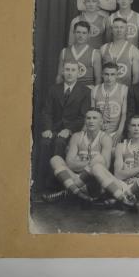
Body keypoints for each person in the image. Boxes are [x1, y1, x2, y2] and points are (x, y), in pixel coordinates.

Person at [36, 61, 91, 193]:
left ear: (78, 73)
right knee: (45, 143)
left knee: (60, 143)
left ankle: (56, 183)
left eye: (73, 70)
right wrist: (48, 129)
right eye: (67, 70)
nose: (70, 73)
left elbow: (82, 116)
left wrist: (69, 130)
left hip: (72, 130)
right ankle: (41, 184)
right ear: (63, 72)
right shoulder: (54, 89)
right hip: (54, 128)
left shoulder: (85, 91)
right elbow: (47, 112)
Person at [90, 115, 139, 206]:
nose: (136, 128)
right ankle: (125, 198)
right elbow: (118, 174)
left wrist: (127, 172)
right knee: (96, 167)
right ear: (129, 127)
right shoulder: (121, 146)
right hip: (121, 185)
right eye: (133, 125)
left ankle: (123, 197)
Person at [43, 108, 112, 202]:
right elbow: (69, 163)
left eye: (94, 118)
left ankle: (70, 191)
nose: (91, 121)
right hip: (74, 177)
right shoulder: (77, 136)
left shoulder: (105, 138)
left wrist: (80, 163)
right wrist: (91, 164)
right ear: (85, 121)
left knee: (99, 160)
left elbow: (105, 166)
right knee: (55, 159)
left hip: (93, 182)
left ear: (101, 122)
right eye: (88, 118)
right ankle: (77, 194)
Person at [91, 62, 128, 147]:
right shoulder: (95, 90)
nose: (109, 78)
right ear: (102, 75)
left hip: (116, 131)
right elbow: (93, 113)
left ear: (117, 75)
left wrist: (119, 132)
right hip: (99, 131)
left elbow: (124, 114)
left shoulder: (123, 89)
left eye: (112, 74)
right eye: (106, 74)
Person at [56, 20, 101, 89]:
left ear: (89, 34)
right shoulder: (64, 52)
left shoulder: (95, 53)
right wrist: (58, 92)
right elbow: (59, 76)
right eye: (78, 32)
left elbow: (98, 78)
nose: (81, 35)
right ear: (74, 33)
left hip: (86, 90)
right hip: (68, 89)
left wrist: (95, 95)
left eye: (84, 33)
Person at [99, 17, 139, 87]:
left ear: (126, 30)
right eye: (116, 27)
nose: (119, 30)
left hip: (125, 91)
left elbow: (136, 77)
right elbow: (99, 74)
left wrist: (131, 93)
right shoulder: (103, 48)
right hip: (106, 91)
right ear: (111, 30)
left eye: (122, 27)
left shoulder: (133, 50)